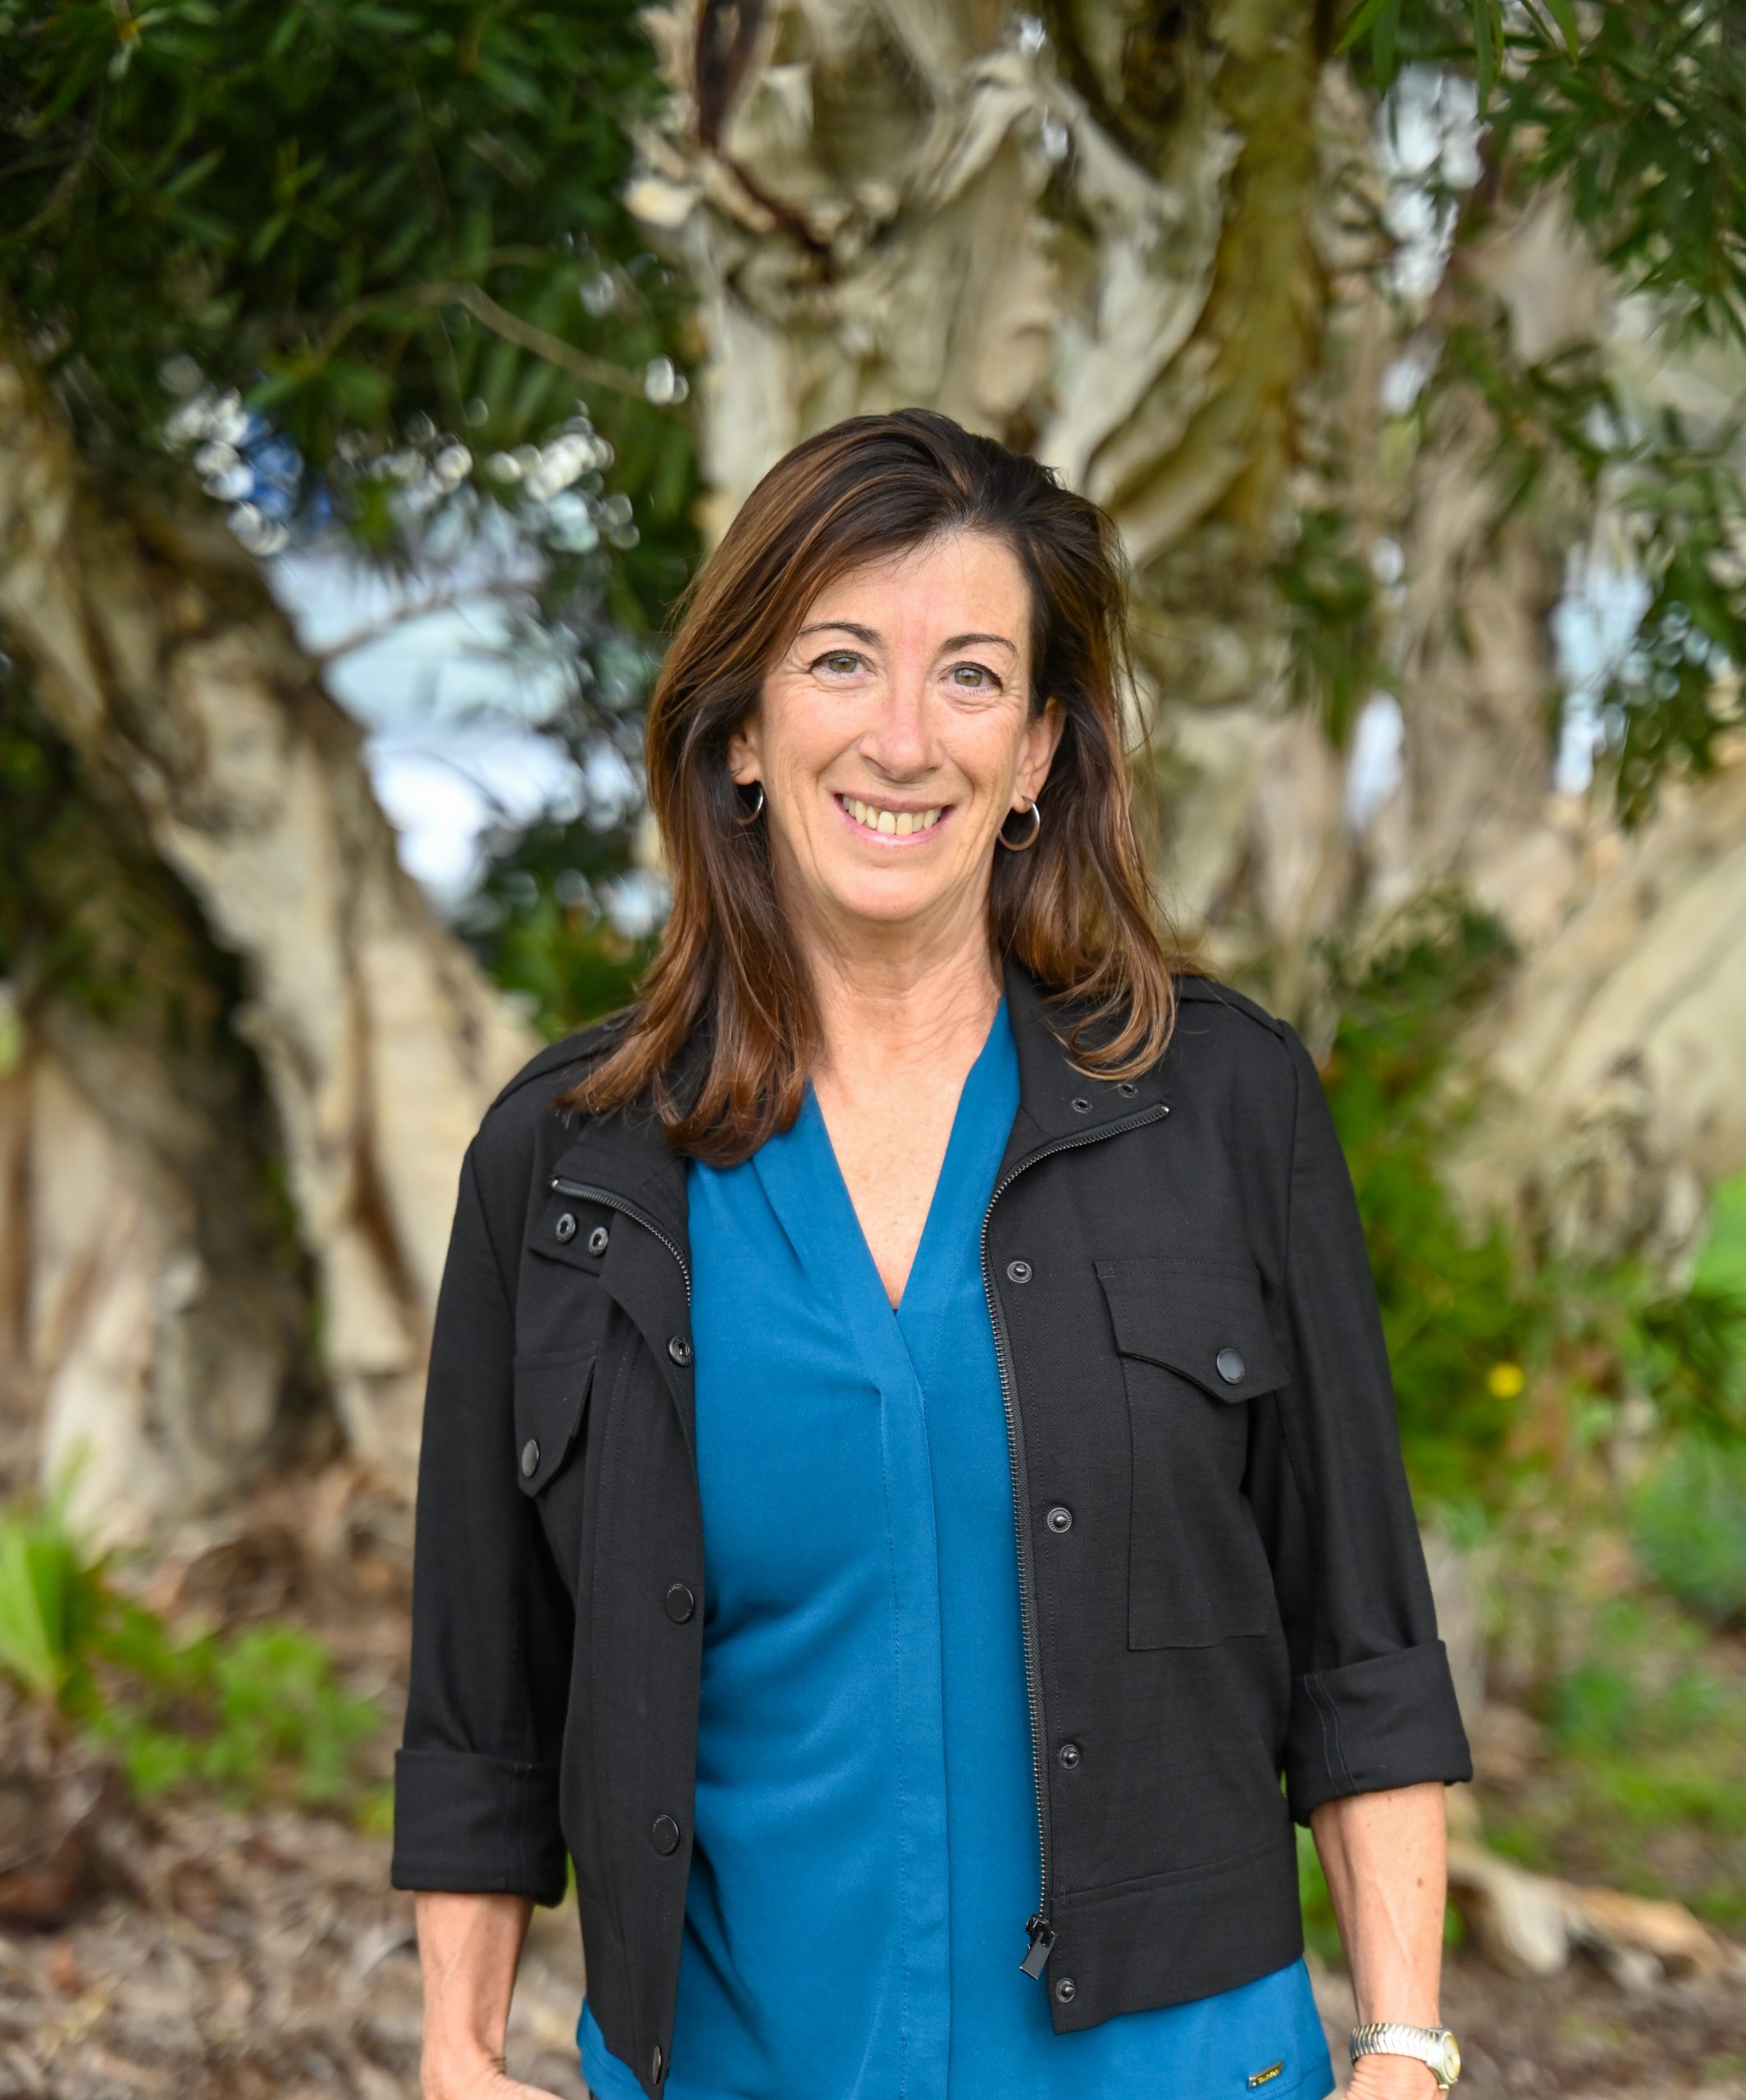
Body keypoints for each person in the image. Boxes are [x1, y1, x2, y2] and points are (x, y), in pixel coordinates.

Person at [390, 408, 1474, 2100]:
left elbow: (1362, 1630)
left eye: (970, 676)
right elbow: (482, 1683)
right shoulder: (566, 1161)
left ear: (1038, 751)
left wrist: (1405, 2043)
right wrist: (459, 2050)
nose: (903, 738)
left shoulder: (1223, 1103)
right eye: (840, 661)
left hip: (1183, 2068)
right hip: (738, 2067)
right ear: (742, 726)